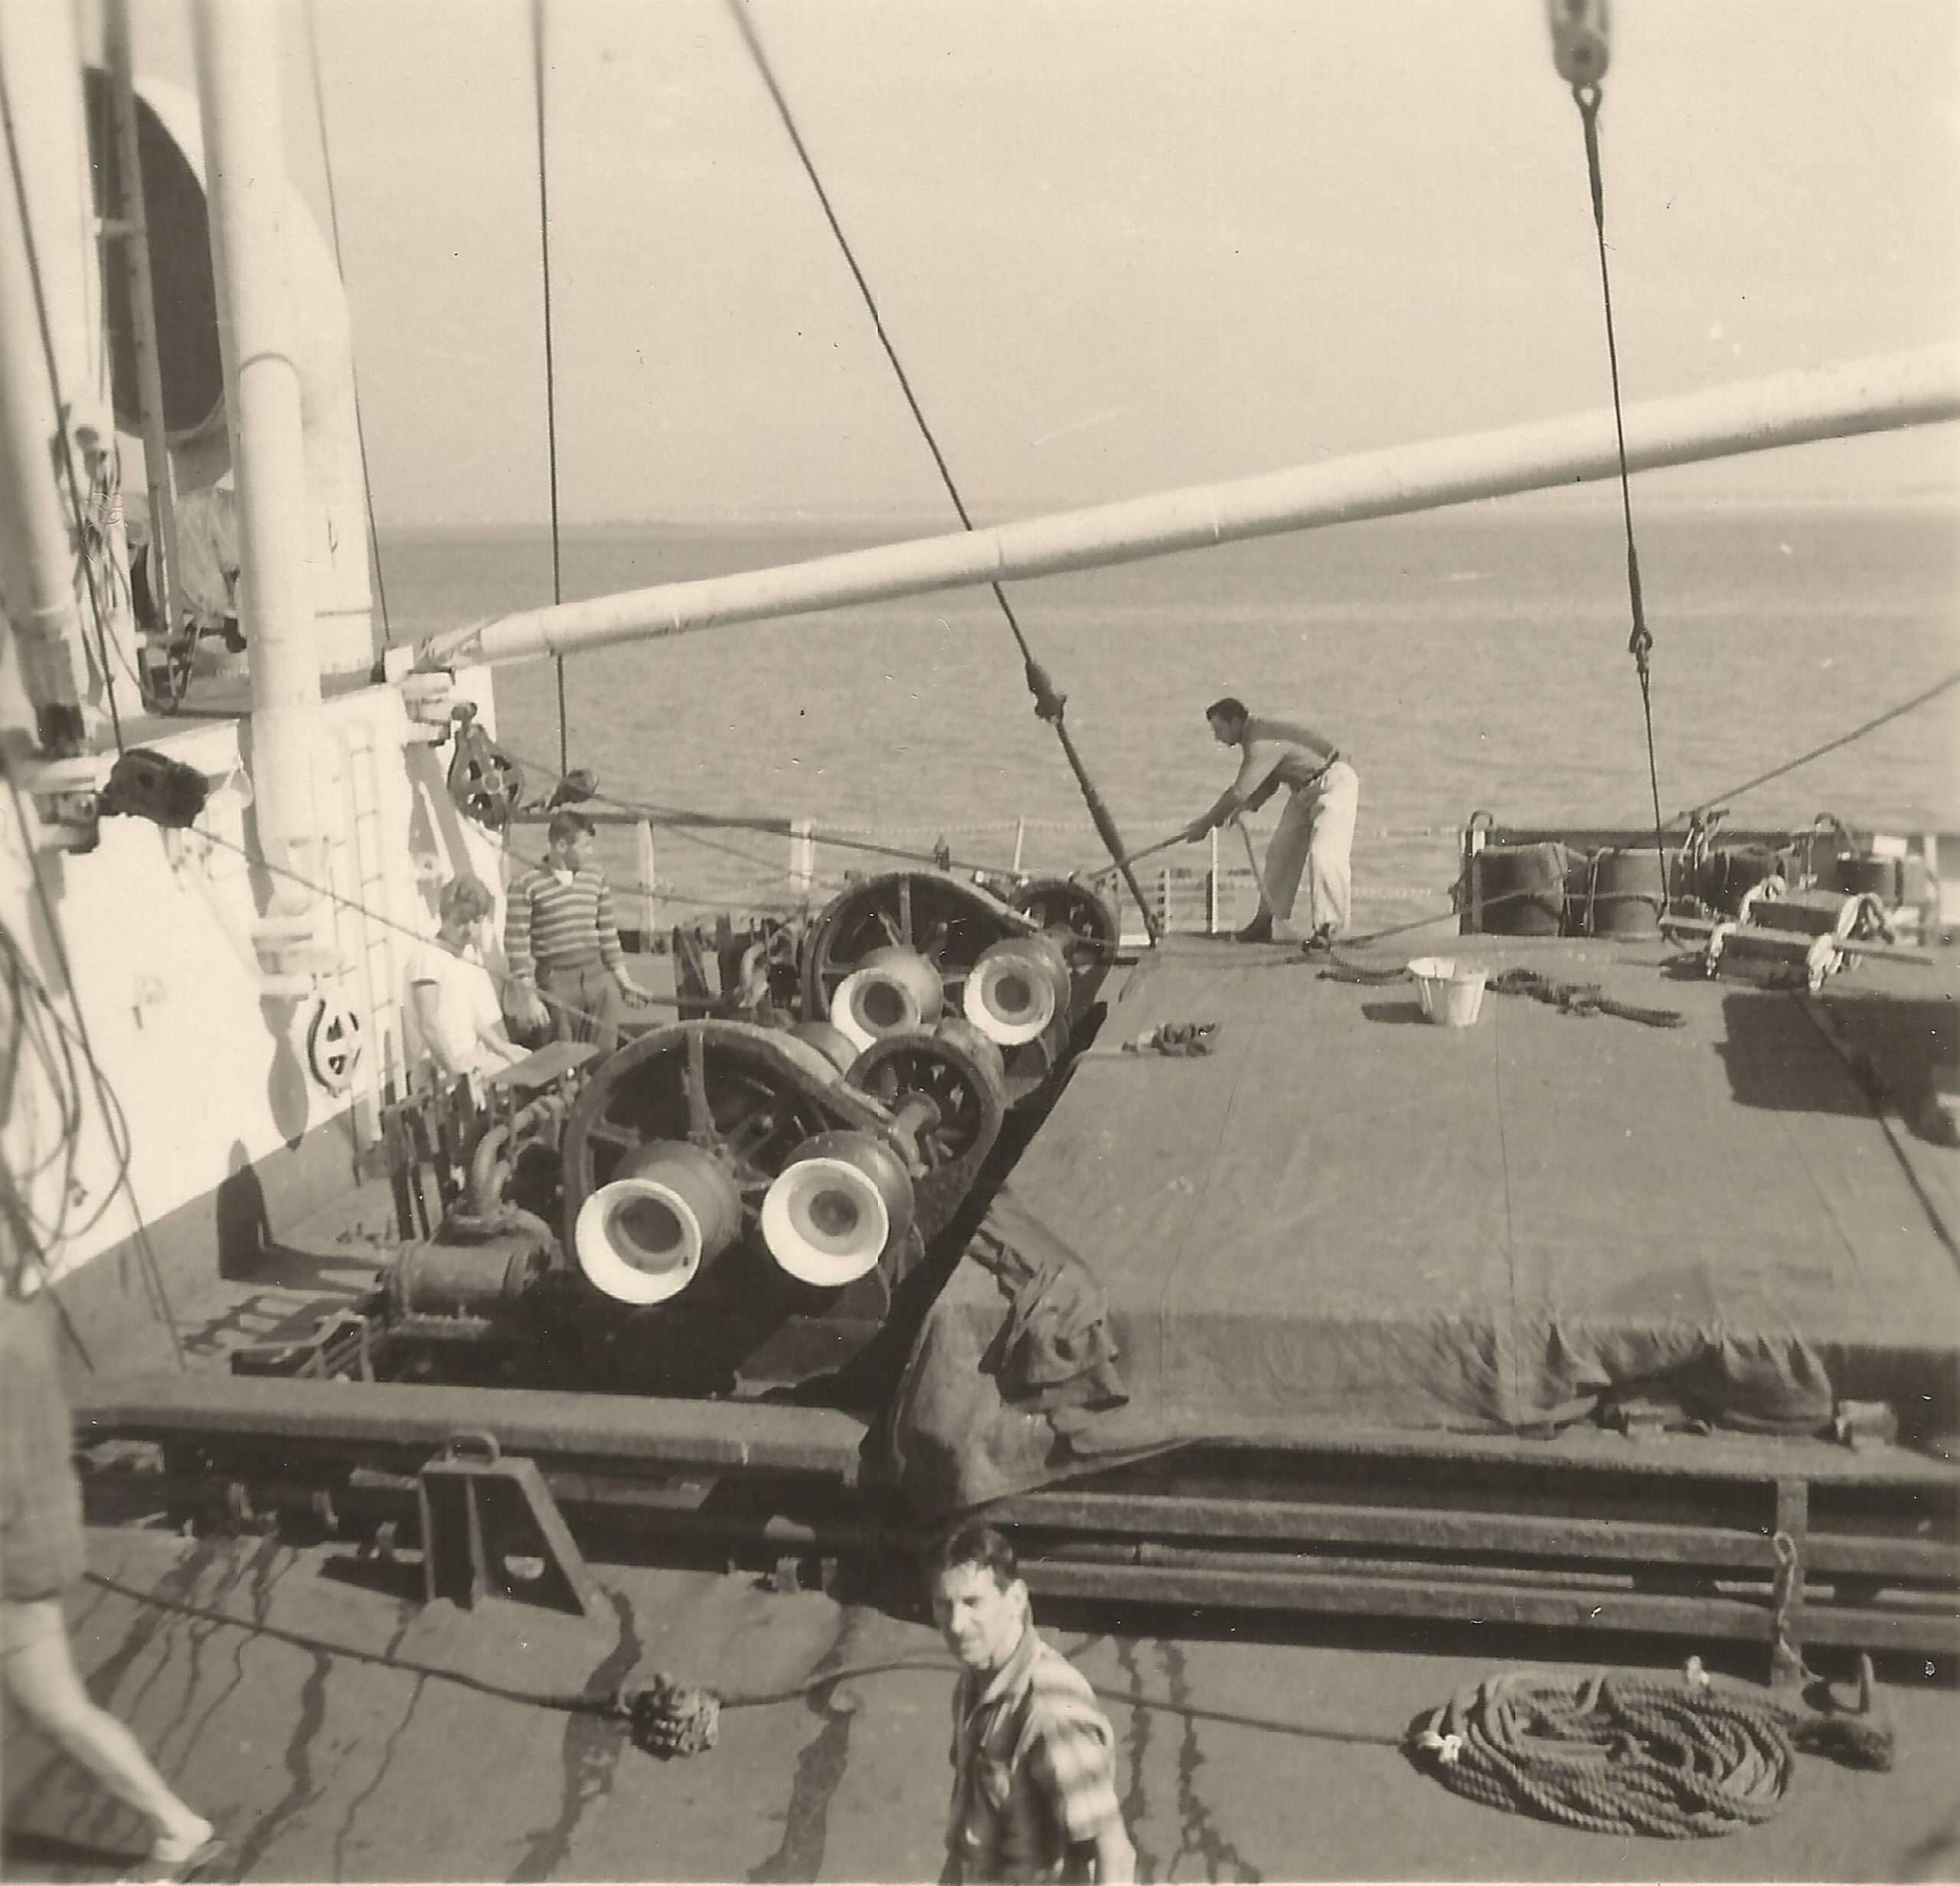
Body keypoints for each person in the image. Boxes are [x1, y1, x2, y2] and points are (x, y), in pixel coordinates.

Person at [1, 1281, 223, 1881]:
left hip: (14, 1558)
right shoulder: (21, 1315)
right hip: (45, 1528)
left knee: (58, 1708)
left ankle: (177, 1827)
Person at [933, 1523, 1135, 1884]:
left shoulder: (1050, 1707)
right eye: (944, 1605)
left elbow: (1115, 1853)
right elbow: (967, 1839)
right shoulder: (973, 1687)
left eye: (972, 1602)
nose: (957, 1624)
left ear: (1015, 1599)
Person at [1182, 695, 1359, 948]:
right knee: (1279, 852)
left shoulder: (1260, 742)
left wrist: (1206, 822)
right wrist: (1244, 808)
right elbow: (1269, 783)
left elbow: (1239, 791)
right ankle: (1263, 923)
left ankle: (1331, 929)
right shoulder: (1257, 738)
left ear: (1235, 722)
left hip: (1334, 783)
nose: (1217, 738)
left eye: (1219, 729)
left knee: (1324, 855)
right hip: (1304, 789)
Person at [503, 809, 644, 1054]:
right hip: (556, 982)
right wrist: (530, 999)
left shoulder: (596, 877)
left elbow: (608, 934)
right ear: (561, 846)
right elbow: (516, 948)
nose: (591, 853)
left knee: (605, 1054)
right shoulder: (526, 884)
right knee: (561, 1056)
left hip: (597, 978)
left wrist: (624, 983)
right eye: (585, 846)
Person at [407, 875, 528, 1084]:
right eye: (461, 921)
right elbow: (429, 1024)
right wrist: (457, 1075)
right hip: (439, 1069)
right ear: (445, 916)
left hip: (469, 1058)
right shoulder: (427, 957)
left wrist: (503, 1048)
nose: (469, 930)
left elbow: (469, 1016)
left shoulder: (464, 956)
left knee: (526, 1070)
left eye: (477, 921)